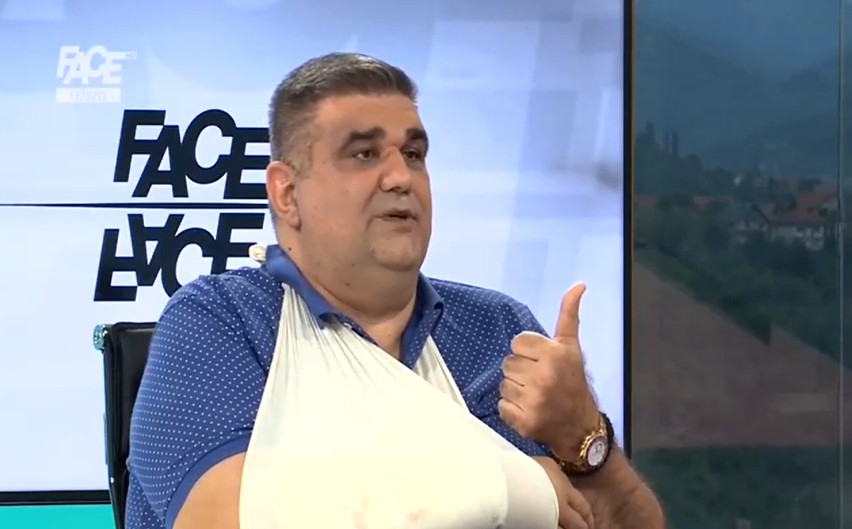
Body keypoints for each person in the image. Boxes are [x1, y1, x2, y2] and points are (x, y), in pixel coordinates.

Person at [125, 52, 664, 529]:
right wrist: (513, 489)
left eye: (413, 154)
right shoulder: (222, 321)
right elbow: (235, 519)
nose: (400, 177)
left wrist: (583, 439)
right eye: (364, 154)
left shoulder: (500, 329)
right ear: (286, 194)